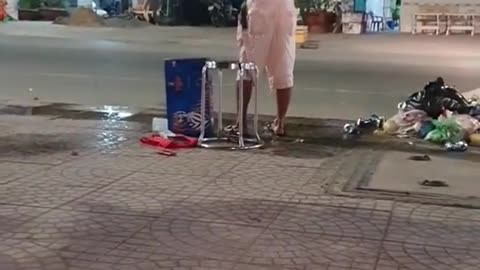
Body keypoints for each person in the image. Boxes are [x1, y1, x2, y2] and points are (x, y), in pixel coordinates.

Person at [230, 0, 296, 136]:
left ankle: (241, 123)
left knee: (247, 66)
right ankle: (280, 124)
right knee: (283, 69)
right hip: (285, 9)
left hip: (259, 9)